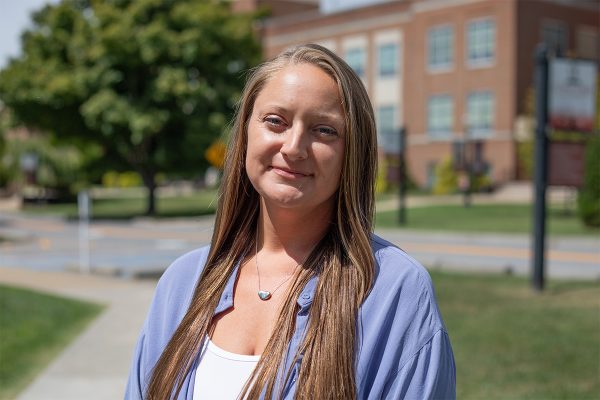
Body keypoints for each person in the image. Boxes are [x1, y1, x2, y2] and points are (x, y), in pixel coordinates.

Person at [125, 43, 455, 400]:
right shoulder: (183, 282)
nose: (294, 146)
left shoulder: (395, 290)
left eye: (325, 130)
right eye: (275, 122)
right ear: (246, 132)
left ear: (352, 152)